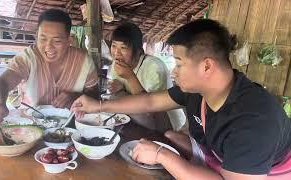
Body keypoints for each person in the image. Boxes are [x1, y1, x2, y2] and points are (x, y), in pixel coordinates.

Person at [71, 19, 291, 179]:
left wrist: (161, 155)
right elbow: (150, 102)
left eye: (178, 63)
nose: (173, 72)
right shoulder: (197, 90)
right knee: (171, 136)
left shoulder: (254, 119)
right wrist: (97, 105)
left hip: (261, 174)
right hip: (221, 158)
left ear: (206, 66)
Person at [0, 9, 98, 125]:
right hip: (31, 126)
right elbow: (3, 81)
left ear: (69, 40)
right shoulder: (29, 57)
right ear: (37, 36)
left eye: (57, 41)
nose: (48, 47)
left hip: (72, 126)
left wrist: (76, 96)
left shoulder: (84, 60)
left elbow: (95, 93)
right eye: (43, 39)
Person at [105, 22, 185, 132]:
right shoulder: (116, 65)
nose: (116, 53)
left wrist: (130, 77)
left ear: (137, 50)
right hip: (137, 115)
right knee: (114, 99)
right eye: (114, 46)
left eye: (123, 47)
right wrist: (116, 87)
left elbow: (150, 108)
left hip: (166, 121)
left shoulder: (154, 67)